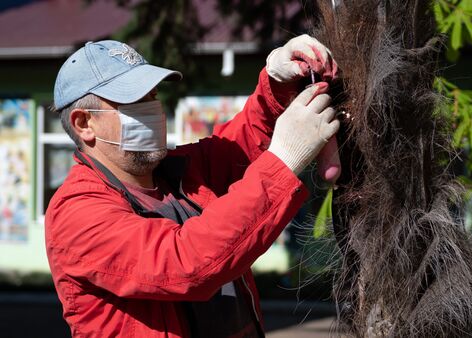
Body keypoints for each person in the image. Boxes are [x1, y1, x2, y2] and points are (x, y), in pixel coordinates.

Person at [45, 35, 339, 337]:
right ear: (84, 124)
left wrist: (276, 84)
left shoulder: (179, 172)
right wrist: (284, 160)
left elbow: (242, 142)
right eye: (134, 101)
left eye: (153, 95)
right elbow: (185, 262)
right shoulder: (77, 212)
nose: (154, 109)